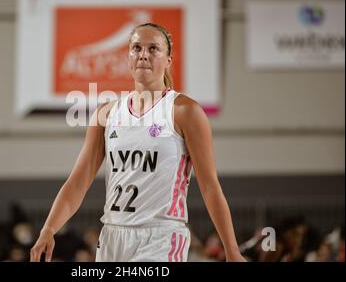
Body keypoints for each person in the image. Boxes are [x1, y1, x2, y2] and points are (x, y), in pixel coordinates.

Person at [30, 23, 245, 262]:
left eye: (153, 48)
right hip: (112, 235)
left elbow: (210, 186)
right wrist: (48, 229)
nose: (143, 54)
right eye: (136, 48)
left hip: (161, 236)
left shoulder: (185, 111)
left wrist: (231, 250)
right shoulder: (107, 113)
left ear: (168, 60)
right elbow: (78, 182)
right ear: (128, 58)